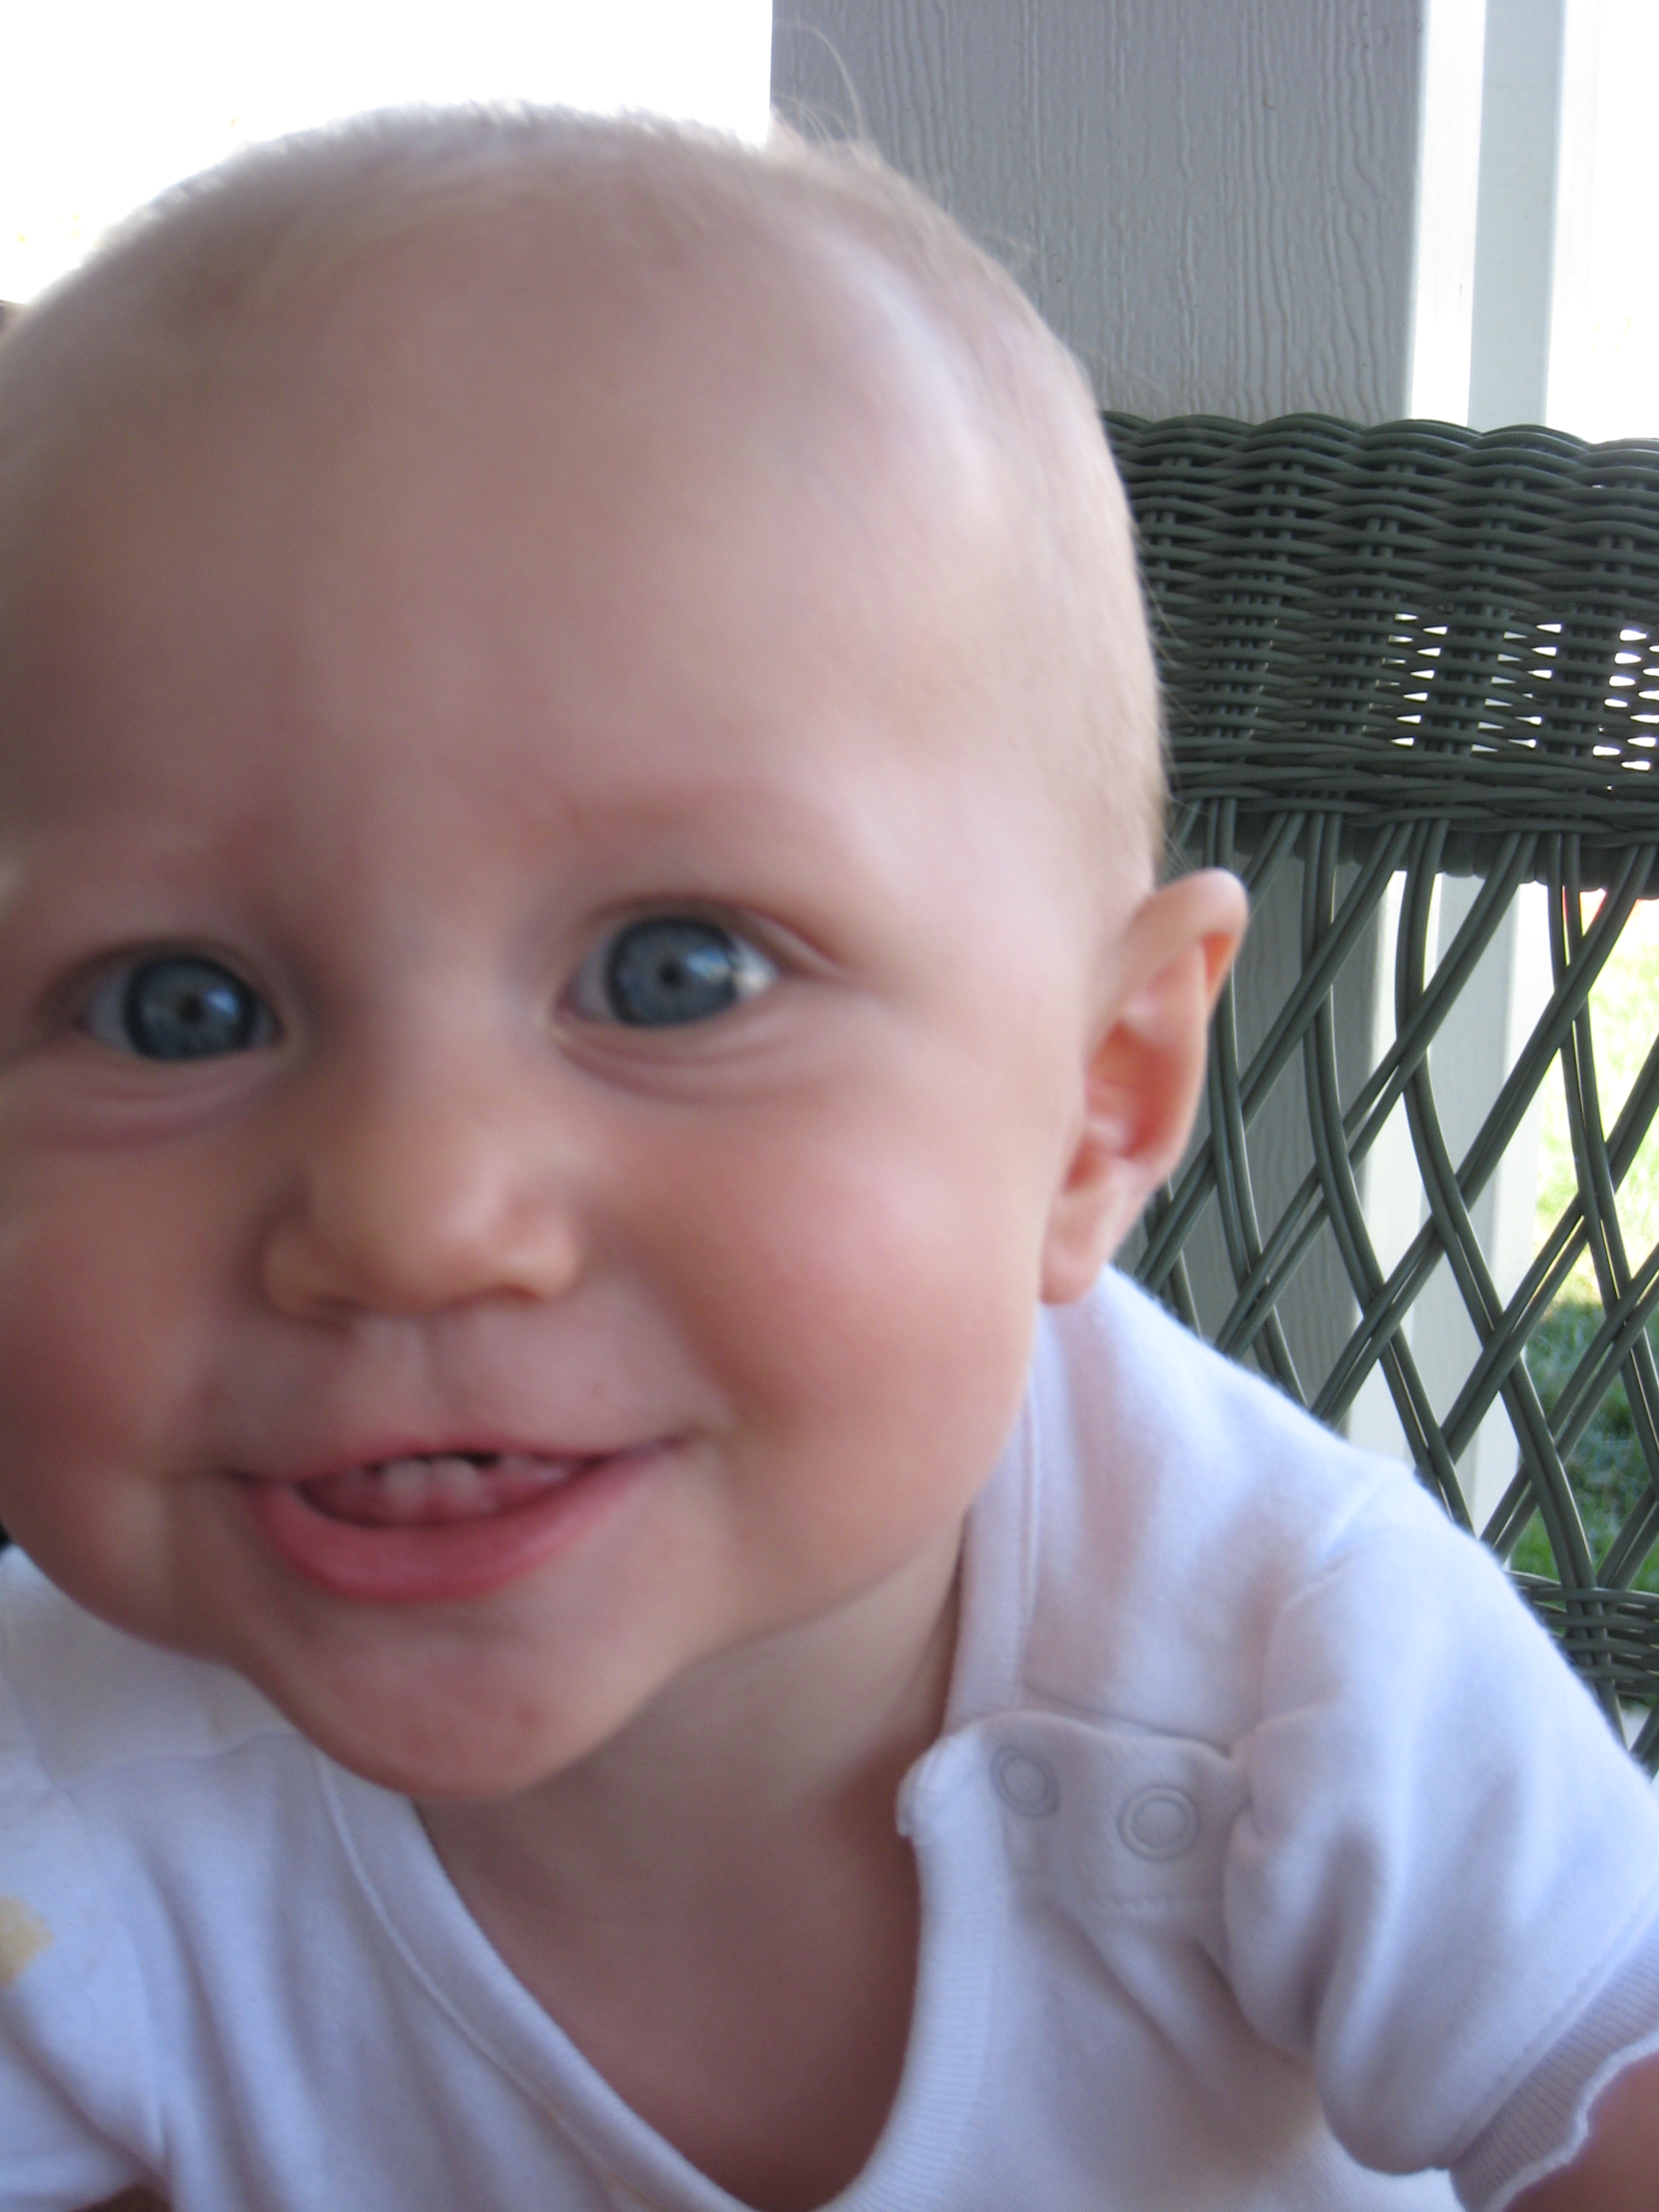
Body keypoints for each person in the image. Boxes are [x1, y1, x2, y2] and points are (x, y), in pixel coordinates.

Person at [0, 107, 1653, 2212]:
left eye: (675, 973)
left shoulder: (1287, 1662)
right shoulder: (64, 1806)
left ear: (1103, 1098)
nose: (410, 1215)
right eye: (177, 1008)